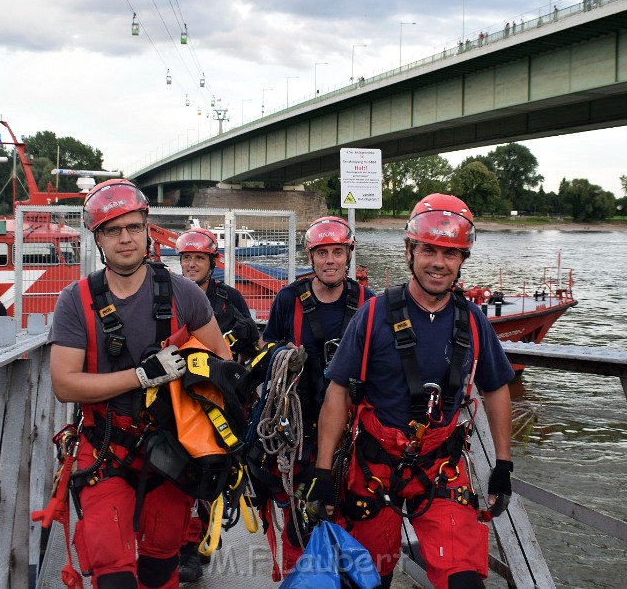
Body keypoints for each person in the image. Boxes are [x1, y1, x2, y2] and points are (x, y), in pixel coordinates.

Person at [311, 193, 516, 589]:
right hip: (373, 466)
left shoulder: (472, 321)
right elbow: (338, 392)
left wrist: (503, 466)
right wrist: (323, 470)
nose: (439, 263)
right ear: (410, 250)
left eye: (451, 254)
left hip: (440, 467)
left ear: (462, 260)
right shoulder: (372, 316)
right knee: (368, 579)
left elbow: (495, 389)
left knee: (465, 581)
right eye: (429, 250)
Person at [49, 179, 232, 589]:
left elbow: (224, 366)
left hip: (170, 455)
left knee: (159, 568)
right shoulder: (75, 302)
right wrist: (140, 376)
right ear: (98, 238)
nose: (125, 239)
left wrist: (191, 368)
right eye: (112, 230)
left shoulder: (185, 295)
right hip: (104, 454)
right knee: (113, 576)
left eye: (133, 227)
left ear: (147, 228)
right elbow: (65, 384)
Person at [250, 215, 375, 577]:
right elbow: (265, 348)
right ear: (311, 257)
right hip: (300, 429)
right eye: (322, 253)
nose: (330, 260)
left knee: (354, 510)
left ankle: (347, 577)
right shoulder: (290, 298)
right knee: (301, 516)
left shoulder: (368, 301)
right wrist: (281, 355)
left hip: (353, 431)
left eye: (337, 252)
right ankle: (299, 577)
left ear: (349, 256)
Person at [173, 226, 262, 582]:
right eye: (187, 258)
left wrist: (246, 334)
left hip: (219, 400)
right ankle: (186, 546)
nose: (192, 264)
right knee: (179, 472)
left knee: (213, 471)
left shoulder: (230, 299)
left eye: (198, 258)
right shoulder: (171, 297)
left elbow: (253, 344)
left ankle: (203, 535)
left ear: (213, 262)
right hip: (179, 398)